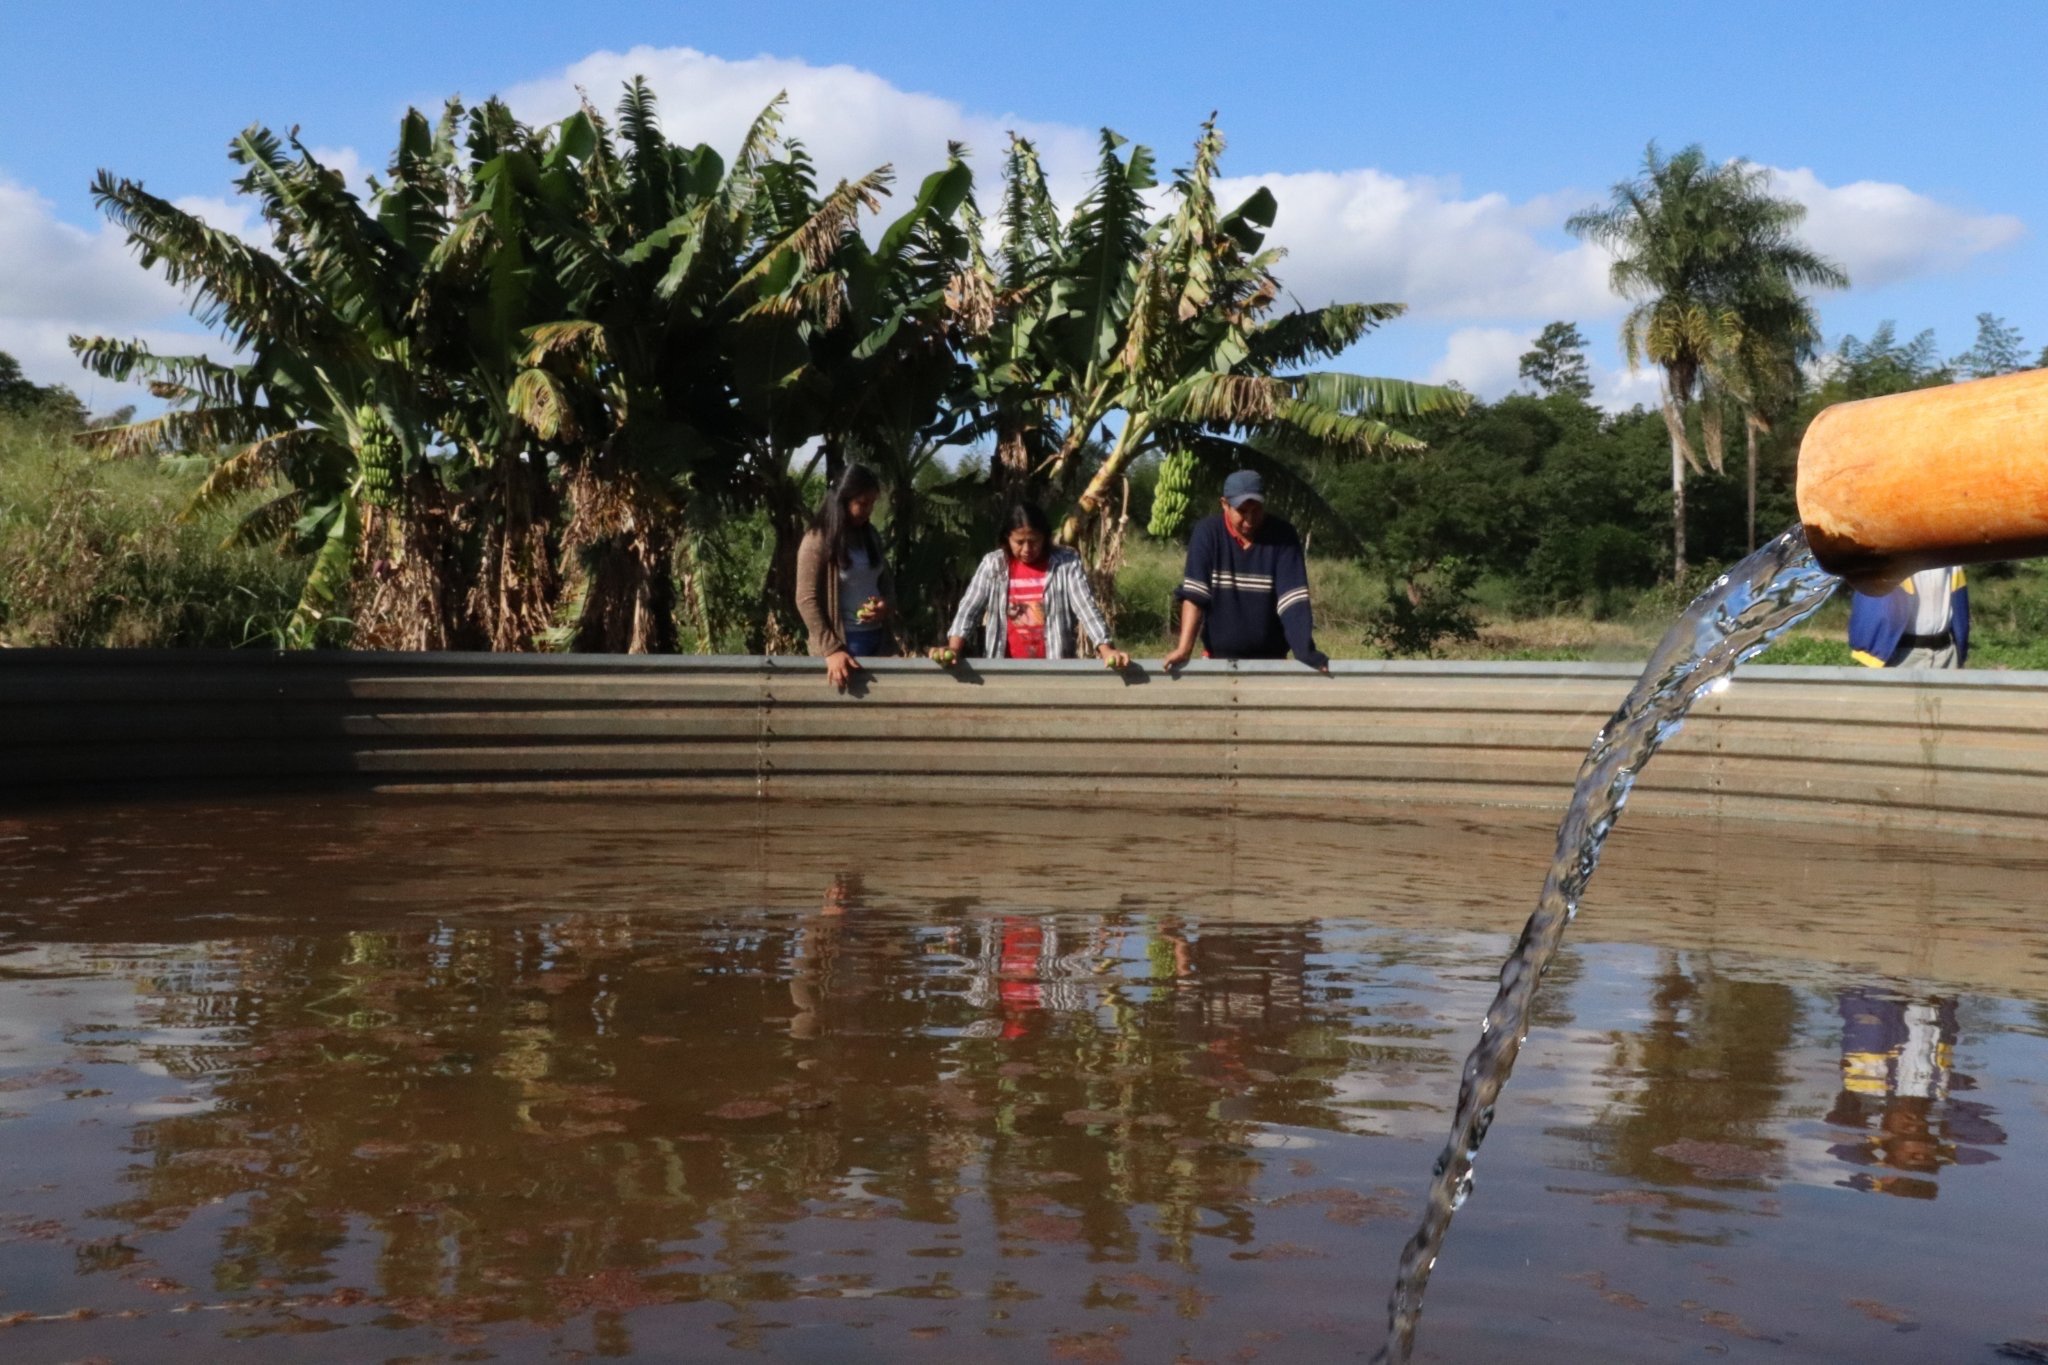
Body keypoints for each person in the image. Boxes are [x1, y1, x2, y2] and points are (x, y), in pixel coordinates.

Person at [1162, 469, 1329, 672]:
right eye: (1242, 511)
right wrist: (1184, 648)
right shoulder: (1207, 533)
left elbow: (1293, 600)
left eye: (1256, 510)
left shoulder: (1283, 536)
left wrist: (1305, 652)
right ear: (1224, 504)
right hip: (1218, 660)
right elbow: (1195, 595)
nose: (1249, 520)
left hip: (1272, 662)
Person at [940, 503, 1128, 666]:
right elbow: (969, 609)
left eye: (1034, 541)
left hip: (1054, 667)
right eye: (1019, 542)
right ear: (1007, 538)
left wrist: (1106, 650)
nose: (1027, 549)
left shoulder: (1066, 563)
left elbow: (1086, 608)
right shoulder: (993, 565)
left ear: (1045, 537)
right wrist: (954, 648)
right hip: (1003, 668)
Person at [796, 464, 899, 690]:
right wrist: (831, 649)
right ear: (843, 500)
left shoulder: (871, 536)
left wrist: (885, 606)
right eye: (862, 503)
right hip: (843, 646)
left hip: (878, 642)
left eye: (872, 503)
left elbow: (885, 584)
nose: (868, 510)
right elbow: (806, 598)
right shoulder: (817, 540)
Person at [1847, 566, 1969, 669]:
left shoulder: (1949, 550)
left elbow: (1959, 600)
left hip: (1946, 654)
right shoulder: (1889, 546)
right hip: (1902, 654)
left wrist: (1959, 649)